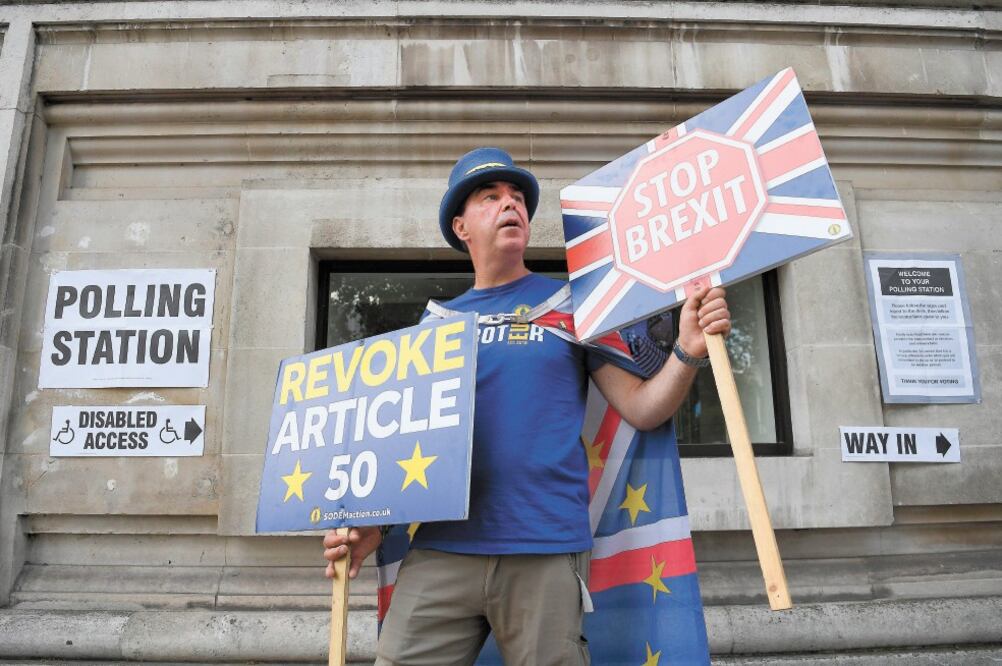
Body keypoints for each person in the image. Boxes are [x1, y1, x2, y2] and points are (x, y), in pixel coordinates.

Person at [323, 147, 731, 665]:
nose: (510, 204)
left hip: (544, 549)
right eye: (490, 196)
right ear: (461, 226)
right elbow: (404, 457)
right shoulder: (431, 329)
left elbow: (643, 409)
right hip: (440, 553)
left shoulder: (571, 308)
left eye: (517, 197)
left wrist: (687, 351)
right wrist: (369, 528)